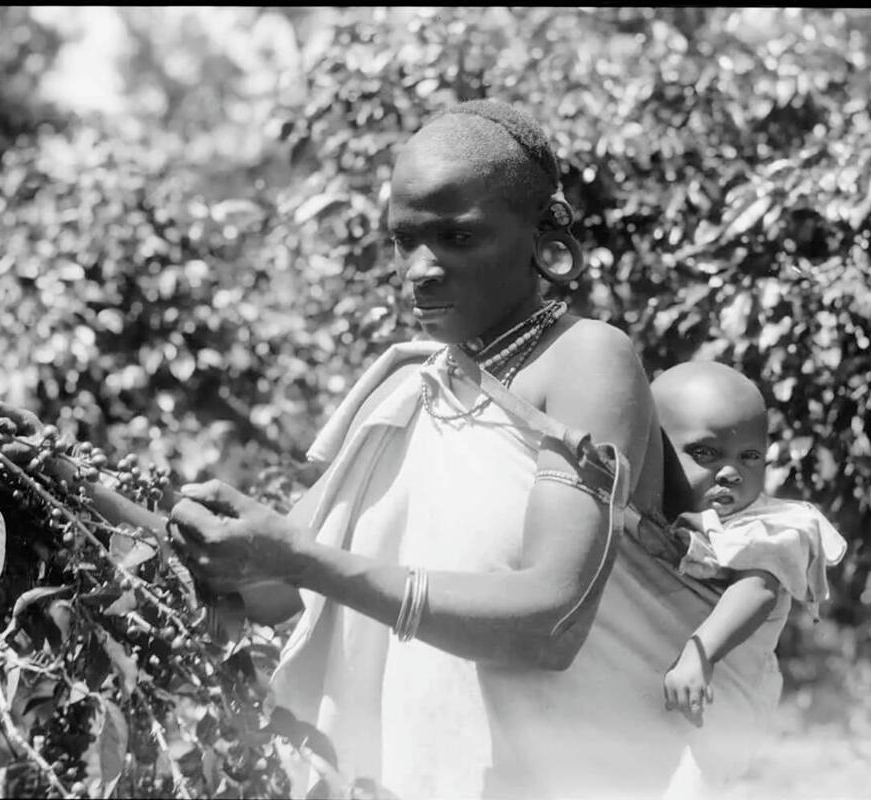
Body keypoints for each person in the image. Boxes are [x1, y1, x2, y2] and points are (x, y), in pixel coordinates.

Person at [164, 100, 772, 800]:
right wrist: (56, 475)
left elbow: (551, 624)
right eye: (404, 240)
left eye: (457, 237)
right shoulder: (404, 392)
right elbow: (265, 590)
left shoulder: (585, 362)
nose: (420, 270)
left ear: (544, 235)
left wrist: (300, 556)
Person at [650, 361, 847, 792]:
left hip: (724, 697)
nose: (730, 471)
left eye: (749, 456)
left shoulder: (768, 526)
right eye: (705, 453)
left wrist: (699, 654)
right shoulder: (664, 516)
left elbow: (758, 588)